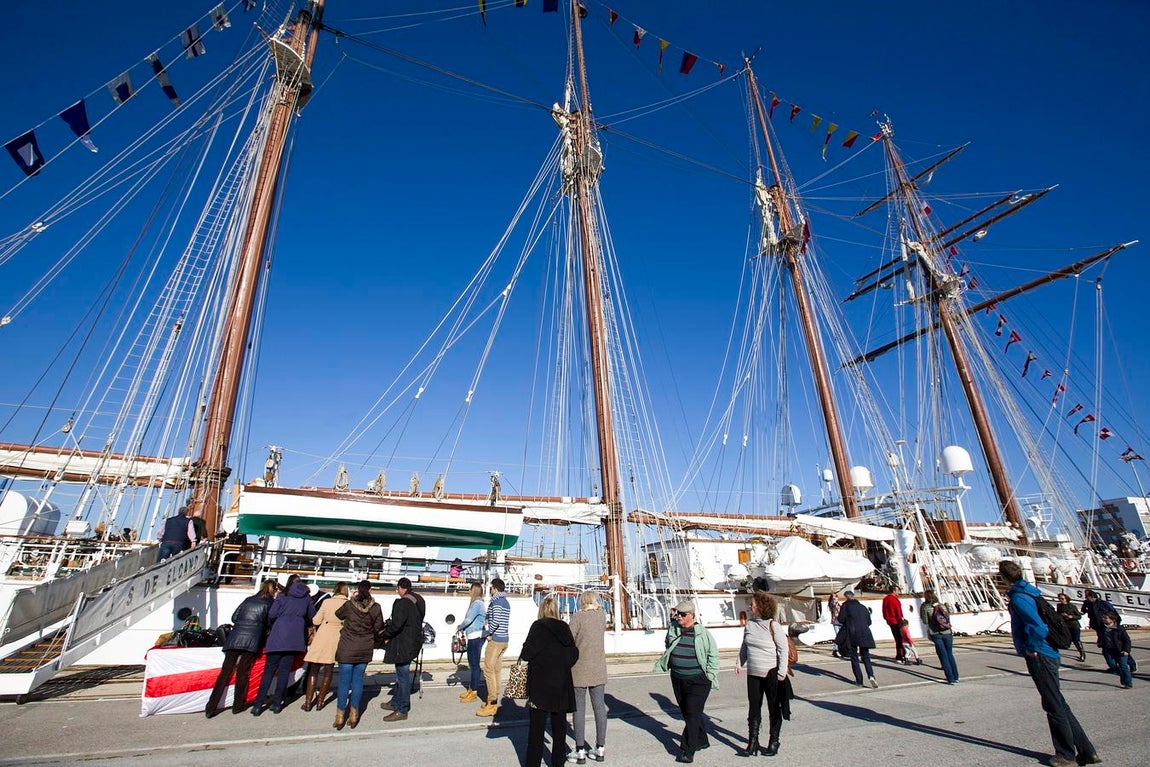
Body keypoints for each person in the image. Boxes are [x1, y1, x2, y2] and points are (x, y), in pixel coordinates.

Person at [999, 560, 1099, 767]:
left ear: (1004, 578)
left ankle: (1066, 755)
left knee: (1053, 705)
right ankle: (1087, 751)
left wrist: (1032, 647)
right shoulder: (1031, 592)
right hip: (1048, 652)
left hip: (1041, 654)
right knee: (1059, 702)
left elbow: (1038, 626)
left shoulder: (1019, 598)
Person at [654, 600, 719, 764]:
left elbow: (713, 655)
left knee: (691, 712)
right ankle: (702, 739)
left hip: (699, 679)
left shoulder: (703, 633)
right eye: (677, 614)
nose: (679, 617)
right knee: (688, 712)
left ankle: (687, 750)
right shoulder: (674, 628)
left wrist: (710, 675)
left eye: (683, 614)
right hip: (678, 677)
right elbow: (668, 644)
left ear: (692, 616)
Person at [521, 596, 579, 767]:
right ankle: (558, 762)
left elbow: (526, 653)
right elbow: (573, 653)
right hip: (560, 684)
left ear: (542, 610)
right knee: (559, 729)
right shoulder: (564, 628)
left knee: (536, 731)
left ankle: (533, 763)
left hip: (540, 685)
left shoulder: (537, 627)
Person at [205, 580, 276, 717]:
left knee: (225, 673)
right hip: (252, 640)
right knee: (243, 673)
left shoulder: (248, 599)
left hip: (235, 637)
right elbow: (270, 624)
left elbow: (234, 617)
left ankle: (211, 707)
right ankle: (238, 705)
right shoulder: (270, 603)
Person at [735, 590, 791, 758]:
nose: (750, 606)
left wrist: (781, 671)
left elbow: (783, 649)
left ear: (760, 606)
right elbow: (745, 645)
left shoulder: (773, 625)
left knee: (773, 707)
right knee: (754, 708)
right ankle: (752, 742)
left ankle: (774, 741)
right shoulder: (750, 624)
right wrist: (739, 662)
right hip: (753, 672)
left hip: (771, 672)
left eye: (752, 604)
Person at [252, 576, 315, 715]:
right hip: (295, 638)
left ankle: (258, 704)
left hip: (278, 635)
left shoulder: (282, 595)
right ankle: (277, 703)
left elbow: (272, 614)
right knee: (284, 672)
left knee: (268, 671)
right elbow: (312, 616)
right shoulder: (306, 598)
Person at [333, 580, 384, 730]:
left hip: (347, 647)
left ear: (357, 590)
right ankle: (354, 714)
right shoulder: (375, 608)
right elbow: (378, 626)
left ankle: (340, 716)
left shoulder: (349, 605)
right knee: (357, 681)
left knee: (343, 682)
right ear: (370, 590)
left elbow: (338, 614)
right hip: (364, 648)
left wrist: (352, 599)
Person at [569, 590, 608, 764]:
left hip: (579, 668)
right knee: (599, 708)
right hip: (598, 668)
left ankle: (580, 750)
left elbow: (569, 640)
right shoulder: (601, 616)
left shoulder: (577, 617)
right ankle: (600, 747)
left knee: (579, 709)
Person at [377, 577, 423, 722]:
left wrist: (384, 634)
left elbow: (397, 625)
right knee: (401, 674)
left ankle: (402, 708)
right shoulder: (418, 600)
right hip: (414, 641)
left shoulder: (403, 602)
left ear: (401, 588)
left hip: (404, 643)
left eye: (397, 589)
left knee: (402, 676)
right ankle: (396, 701)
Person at [301, 581, 348, 711]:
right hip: (337, 637)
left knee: (314, 670)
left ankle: (308, 702)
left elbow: (316, 620)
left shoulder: (327, 602)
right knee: (329, 671)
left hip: (323, 635)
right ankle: (321, 701)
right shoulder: (347, 604)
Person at [477, 577, 511, 717]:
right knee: (497, 669)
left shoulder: (497, 602)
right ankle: (494, 698)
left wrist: (488, 633)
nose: (490, 590)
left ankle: (491, 702)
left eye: (491, 588)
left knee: (488, 669)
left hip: (496, 640)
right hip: (504, 639)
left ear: (495, 589)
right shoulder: (506, 602)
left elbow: (495, 620)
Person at [835, 590, 878, 688]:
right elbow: (869, 621)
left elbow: (841, 620)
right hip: (865, 634)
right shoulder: (863, 607)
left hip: (852, 634)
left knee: (854, 657)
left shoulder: (845, 607)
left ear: (846, 597)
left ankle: (859, 680)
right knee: (866, 656)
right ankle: (871, 676)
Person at [457, 582, 487, 704]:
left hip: (476, 636)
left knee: (474, 665)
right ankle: (471, 688)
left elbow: (469, 619)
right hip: (474, 635)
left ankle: (474, 691)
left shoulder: (477, 604)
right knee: (473, 663)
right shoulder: (479, 603)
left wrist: (460, 626)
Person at [924, 599, 958, 684]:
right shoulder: (942, 606)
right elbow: (948, 617)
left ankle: (950, 678)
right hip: (947, 632)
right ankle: (956, 676)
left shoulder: (926, 607)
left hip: (935, 633)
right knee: (950, 654)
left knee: (943, 656)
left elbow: (925, 621)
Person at [1081, 590, 1118, 666]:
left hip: (1107, 626)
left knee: (1113, 646)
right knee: (1105, 647)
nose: (1086, 598)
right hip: (1097, 626)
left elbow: (1114, 614)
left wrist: (1115, 625)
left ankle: (1123, 663)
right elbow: (1083, 611)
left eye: (1087, 596)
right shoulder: (1087, 603)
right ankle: (1113, 666)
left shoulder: (1104, 604)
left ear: (1092, 596)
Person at [1098, 611, 1134, 689]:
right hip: (1108, 651)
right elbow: (1101, 637)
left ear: (1112, 619)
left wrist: (1126, 650)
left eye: (1105, 618)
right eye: (1103, 617)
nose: (1103, 619)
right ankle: (1122, 675)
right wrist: (1100, 643)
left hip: (1120, 650)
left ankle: (1128, 683)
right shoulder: (1103, 627)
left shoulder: (1119, 628)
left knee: (1123, 666)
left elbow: (1127, 640)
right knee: (1112, 665)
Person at [1055, 593, 1087, 662]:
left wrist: (1071, 616)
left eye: (1062, 599)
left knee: (1076, 640)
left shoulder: (1072, 606)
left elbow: (1079, 616)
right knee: (1066, 638)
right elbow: (1057, 614)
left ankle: (1082, 653)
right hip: (1065, 625)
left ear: (1066, 599)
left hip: (1074, 624)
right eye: (1059, 599)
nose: (1061, 600)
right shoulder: (1059, 606)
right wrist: (1061, 615)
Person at [881, 586, 905, 662]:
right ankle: (901, 655)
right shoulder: (894, 600)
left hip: (890, 621)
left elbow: (884, 610)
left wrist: (887, 618)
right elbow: (898, 611)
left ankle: (901, 654)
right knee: (900, 639)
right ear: (894, 591)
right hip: (897, 621)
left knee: (897, 638)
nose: (898, 592)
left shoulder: (886, 599)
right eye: (897, 590)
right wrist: (901, 620)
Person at [827, 593, 842, 658]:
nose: (836, 598)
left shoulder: (839, 604)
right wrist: (833, 598)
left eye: (836, 597)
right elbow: (832, 604)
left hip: (841, 622)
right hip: (836, 621)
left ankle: (840, 649)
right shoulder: (832, 605)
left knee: (841, 636)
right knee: (838, 635)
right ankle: (835, 650)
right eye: (835, 597)